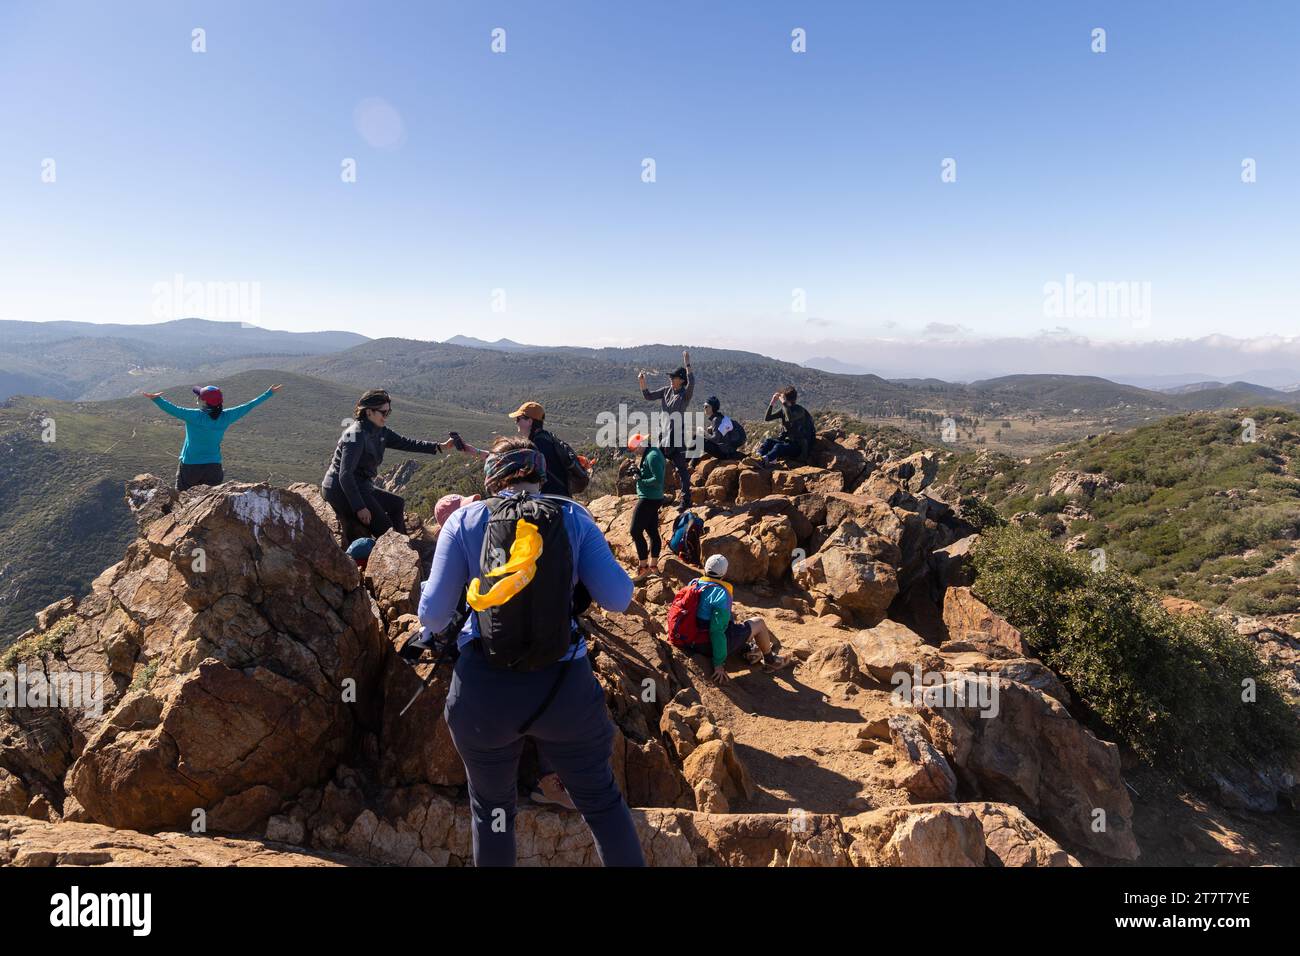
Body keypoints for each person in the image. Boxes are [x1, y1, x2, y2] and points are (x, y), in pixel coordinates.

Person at [417, 436, 643, 867]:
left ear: (492, 479)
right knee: (601, 804)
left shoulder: (463, 522)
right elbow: (618, 597)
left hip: (484, 694)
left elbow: (432, 616)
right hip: (564, 689)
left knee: (494, 811)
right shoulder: (573, 517)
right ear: (540, 475)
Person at [321, 388, 454, 543]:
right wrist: (359, 507)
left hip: (361, 485)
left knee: (397, 503)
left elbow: (407, 443)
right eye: (383, 413)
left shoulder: (380, 431)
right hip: (340, 490)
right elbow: (345, 475)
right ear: (369, 412)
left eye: (388, 412)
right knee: (386, 529)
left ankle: (405, 546)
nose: (386, 417)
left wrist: (440, 446)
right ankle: (398, 548)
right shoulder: (355, 434)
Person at [142, 383, 282, 491]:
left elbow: (172, 409)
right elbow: (248, 406)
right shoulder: (226, 417)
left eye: (198, 397)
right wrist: (268, 394)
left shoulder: (194, 416)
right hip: (213, 468)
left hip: (190, 466)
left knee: (181, 501)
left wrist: (156, 399)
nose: (196, 399)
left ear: (203, 402)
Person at [689, 554, 791, 685]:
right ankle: (771, 661)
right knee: (758, 623)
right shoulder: (721, 593)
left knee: (730, 619)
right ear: (724, 573)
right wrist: (718, 664)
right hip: (705, 644)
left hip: (690, 638)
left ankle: (748, 650)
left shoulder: (694, 583)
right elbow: (716, 631)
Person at [638, 350, 694, 511]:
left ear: (681, 380)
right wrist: (642, 382)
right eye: (670, 377)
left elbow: (692, 382)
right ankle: (657, 497)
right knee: (655, 465)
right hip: (663, 438)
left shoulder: (685, 395)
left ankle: (686, 500)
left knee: (682, 470)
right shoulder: (666, 391)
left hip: (677, 439)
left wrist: (687, 362)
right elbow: (648, 396)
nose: (670, 379)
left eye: (673, 377)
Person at [508, 401, 590, 497]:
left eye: (518, 419)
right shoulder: (546, 437)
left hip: (552, 499)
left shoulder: (539, 444)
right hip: (560, 496)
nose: (516, 422)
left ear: (529, 421)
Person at [626, 433, 665, 580]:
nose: (635, 452)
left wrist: (640, 480)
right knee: (652, 531)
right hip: (653, 497)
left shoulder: (652, 456)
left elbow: (658, 480)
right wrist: (639, 471)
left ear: (641, 444)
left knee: (635, 531)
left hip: (649, 498)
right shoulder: (650, 452)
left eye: (635, 449)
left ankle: (644, 568)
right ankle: (653, 566)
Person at [757, 386, 815, 467]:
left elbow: (790, 418)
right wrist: (772, 402)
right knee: (769, 441)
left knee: (778, 447)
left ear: (786, 398)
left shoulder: (799, 410)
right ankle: (757, 457)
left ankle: (763, 461)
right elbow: (767, 418)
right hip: (788, 443)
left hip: (799, 447)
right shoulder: (784, 409)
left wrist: (784, 403)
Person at [697, 395, 746, 464]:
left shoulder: (716, 419)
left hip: (724, 453)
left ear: (712, 408)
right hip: (728, 451)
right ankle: (689, 461)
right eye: (703, 406)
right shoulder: (720, 418)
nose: (704, 408)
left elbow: (715, 439)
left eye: (706, 406)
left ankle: (688, 462)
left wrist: (704, 432)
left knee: (697, 439)